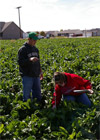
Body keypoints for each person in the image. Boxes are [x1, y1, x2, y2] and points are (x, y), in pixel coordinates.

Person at [18, 32, 43, 102]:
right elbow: (20, 62)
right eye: (34, 40)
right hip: (27, 75)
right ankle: (27, 110)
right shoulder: (23, 49)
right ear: (29, 39)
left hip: (36, 75)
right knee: (26, 95)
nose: (35, 42)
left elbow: (38, 62)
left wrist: (40, 71)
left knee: (38, 94)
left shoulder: (36, 49)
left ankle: (38, 107)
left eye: (36, 40)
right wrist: (29, 60)